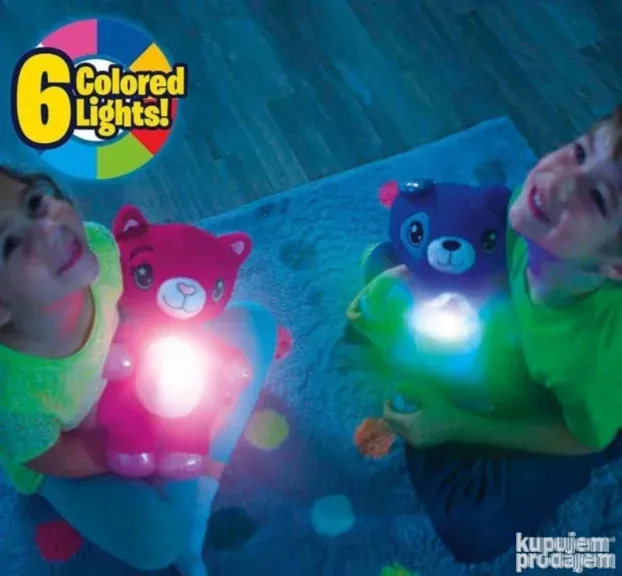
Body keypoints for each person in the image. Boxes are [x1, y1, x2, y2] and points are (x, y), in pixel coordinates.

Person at [380, 106, 622, 563]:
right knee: (402, 258)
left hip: (592, 417)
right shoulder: (527, 214)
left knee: (472, 528)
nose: (556, 180)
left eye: (597, 197)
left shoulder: (595, 354)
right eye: (579, 151)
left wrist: (456, 423)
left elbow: (588, 439)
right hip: (544, 353)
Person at [0, 166, 200, 572]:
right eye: (11, 243)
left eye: (35, 203)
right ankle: (196, 482)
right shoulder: (13, 392)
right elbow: (49, 456)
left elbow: (127, 306)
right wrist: (121, 452)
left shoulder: (98, 248)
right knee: (154, 541)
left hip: (115, 379)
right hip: (65, 449)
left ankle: (190, 468)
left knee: (243, 328)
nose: (48, 227)